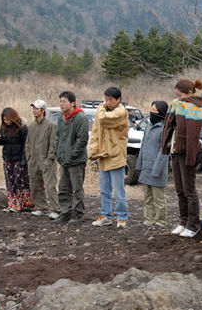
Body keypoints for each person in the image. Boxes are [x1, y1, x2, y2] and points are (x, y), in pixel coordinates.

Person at [161, 78, 202, 238]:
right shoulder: (177, 105)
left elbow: (193, 135)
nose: (177, 97)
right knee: (179, 190)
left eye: (180, 94)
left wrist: (191, 157)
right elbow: (169, 126)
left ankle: (193, 224)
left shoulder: (194, 107)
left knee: (189, 190)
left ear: (189, 93)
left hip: (186, 153)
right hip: (176, 150)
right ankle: (183, 221)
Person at [89, 87, 130, 229]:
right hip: (103, 155)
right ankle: (106, 215)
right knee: (104, 189)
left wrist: (100, 107)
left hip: (116, 156)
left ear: (118, 99)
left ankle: (122, 216)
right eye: (106, 99)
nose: (107, 102)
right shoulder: (103, 110)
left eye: (111, 99)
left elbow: (103, 119)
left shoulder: (121, 112)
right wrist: (93, 150)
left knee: (119, 191)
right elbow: (95, 132)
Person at [54, 91, 89, 225]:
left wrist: (72, 154)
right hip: (64, 160)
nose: (61, 104)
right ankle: (65, 213)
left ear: (72, 103)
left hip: (76, 160)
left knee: (77, 188)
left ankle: (77, 214)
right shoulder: (61, 118)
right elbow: (58, 136)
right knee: (63, 188)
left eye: (64, 101)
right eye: (60, 101)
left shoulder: (80, 118)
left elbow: (82, 139)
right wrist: (58, 152)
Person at [136, 101, 170, 229]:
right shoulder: (149, 126)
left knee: (159, 198)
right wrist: (139, 165)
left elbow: (164, 152)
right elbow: (143, 146)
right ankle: (148, 219)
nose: (152, 113)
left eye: (154, 110)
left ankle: (161, 221)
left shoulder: (165, 129)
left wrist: (156, 170)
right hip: (146, 167)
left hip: (157, 170)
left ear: (161, 113)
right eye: (151, 110)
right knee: (148, 197)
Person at [25, 99, 60, 220]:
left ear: (43, 110)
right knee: (35, 184)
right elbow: (28, 143)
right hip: (34, 160)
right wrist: (29, 157)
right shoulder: (31, 126)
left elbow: (53, 143)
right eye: (33, 108)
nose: (34, 111)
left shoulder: (51, 125)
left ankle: (55, 209)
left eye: (37, 108)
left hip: (46, 160)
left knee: (50, 185)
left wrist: (50, 158)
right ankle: (40, 206)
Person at [0, 108, 32, 212]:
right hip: (7, 157)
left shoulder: (22, 127)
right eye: (5, 119)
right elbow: (4, 141)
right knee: (9, 182)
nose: (7, 122)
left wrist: (24, 159)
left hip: (18, 158)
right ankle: (12, 204)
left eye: (8, 119)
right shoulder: (3, 128)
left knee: (19, 181)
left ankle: (22, 203)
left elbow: (26, 144)